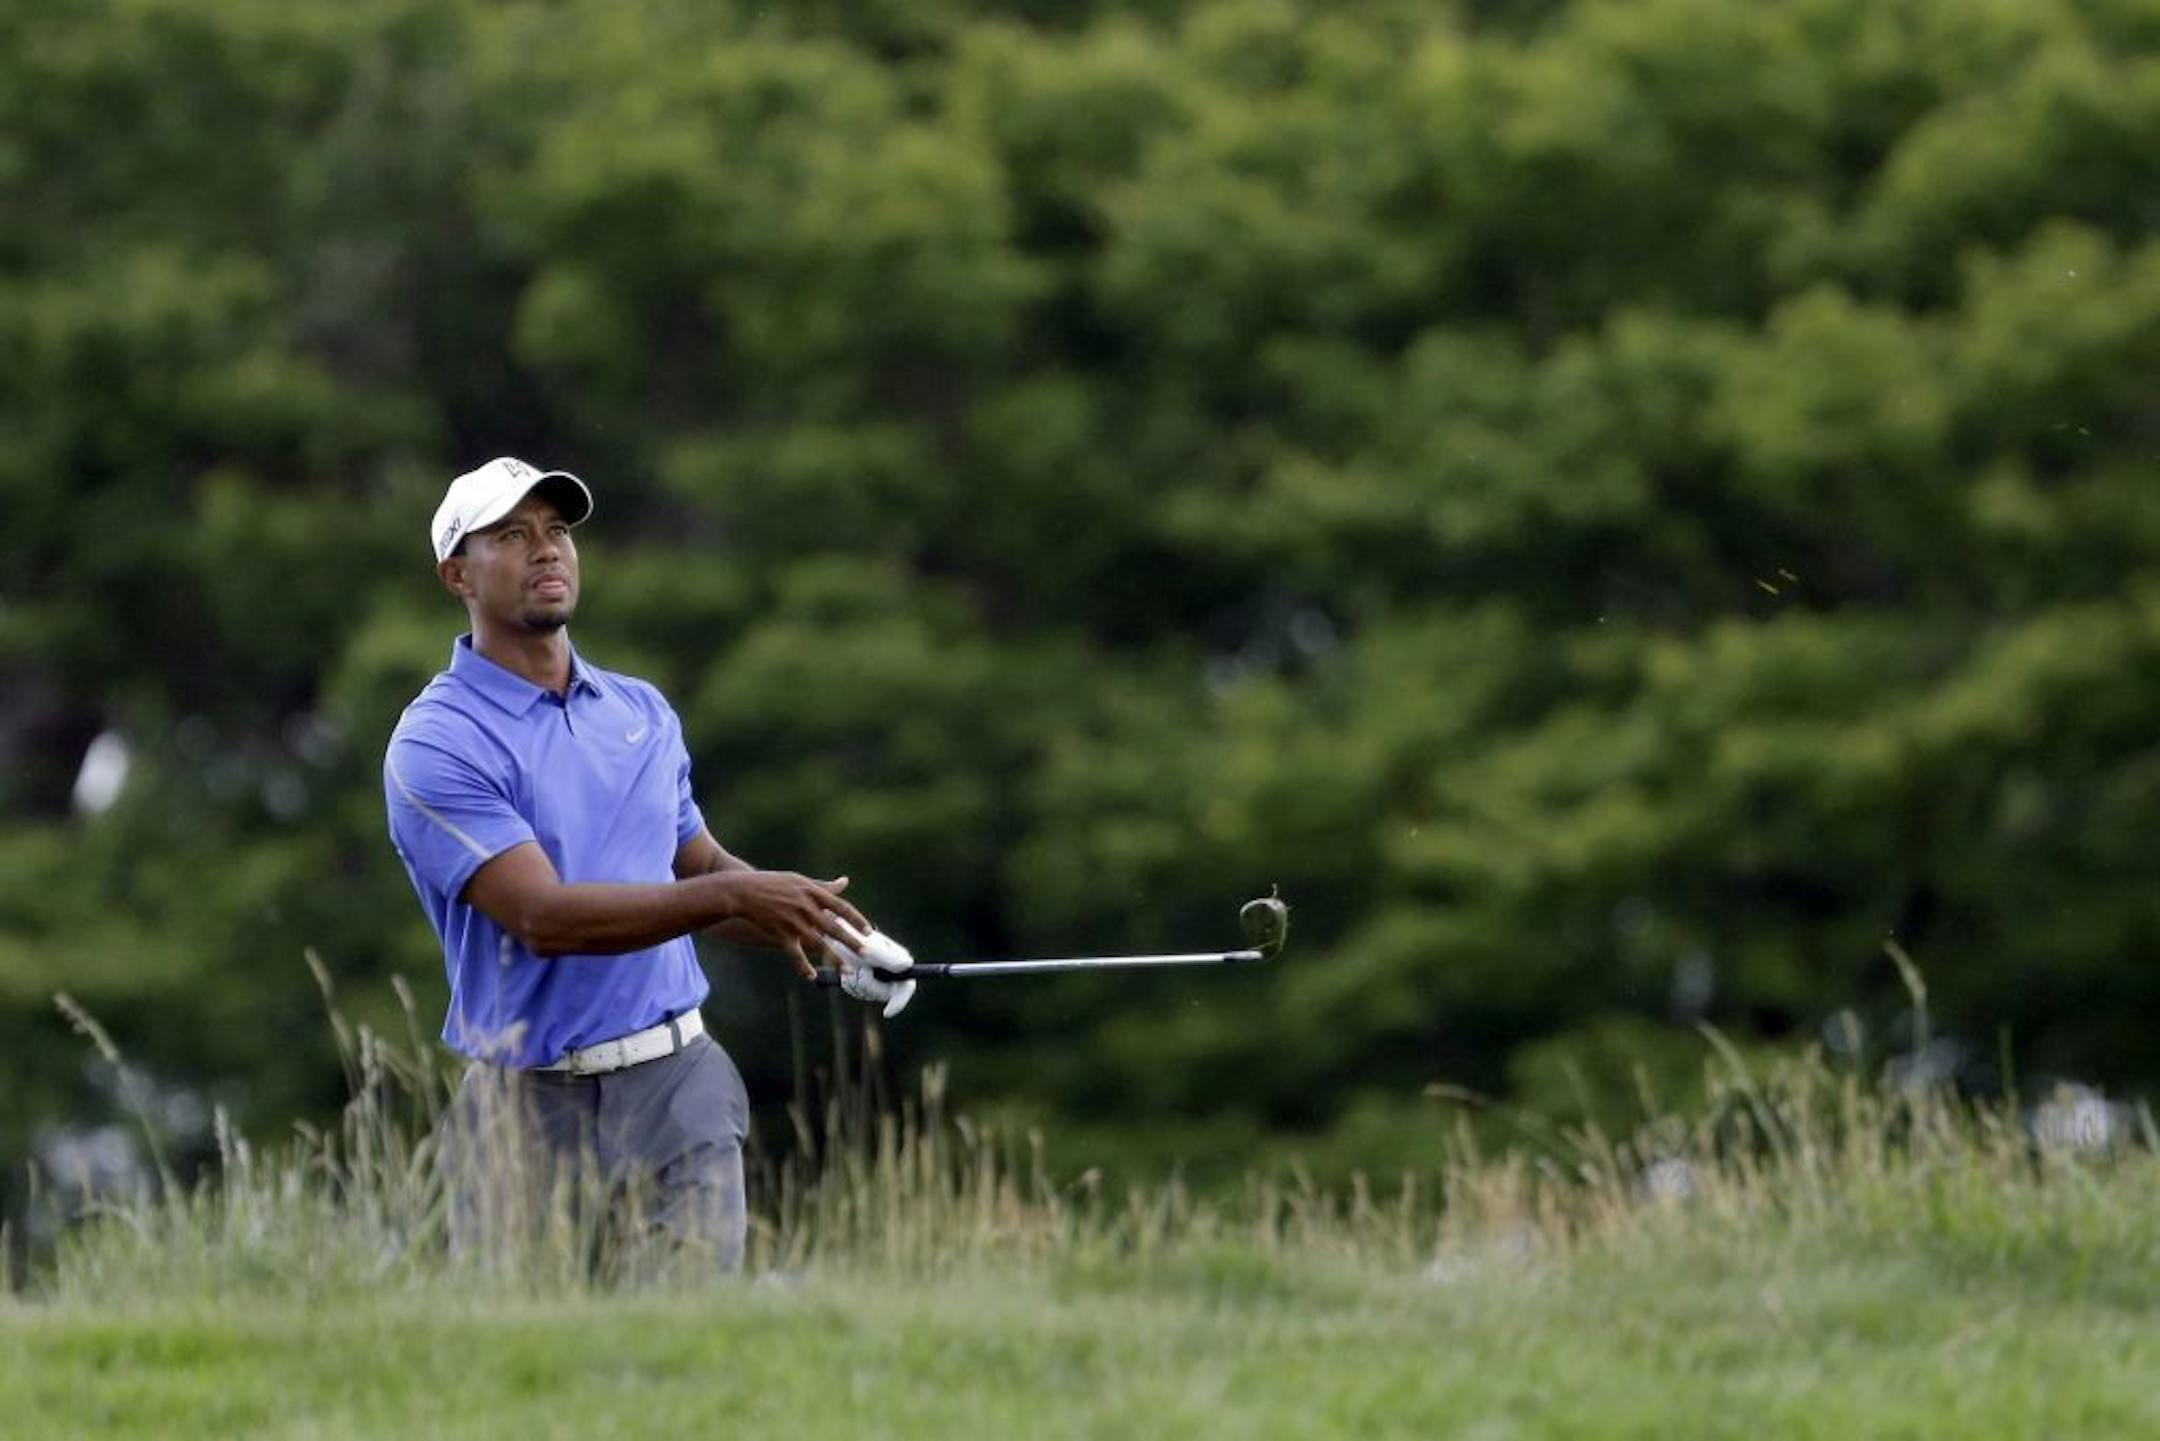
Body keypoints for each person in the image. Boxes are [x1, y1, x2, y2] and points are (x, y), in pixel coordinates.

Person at [383, 456, 912, 1272]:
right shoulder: (436, 740)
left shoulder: (640, 712)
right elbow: (543, 917)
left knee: (684, 1347)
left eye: (557, 531)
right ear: (458, 572)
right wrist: (732, 891)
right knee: (523, 1371)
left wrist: (832, 934)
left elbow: (701, 870)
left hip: (678, 1085)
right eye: (512, 536)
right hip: (524, 1106)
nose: (547, 551)